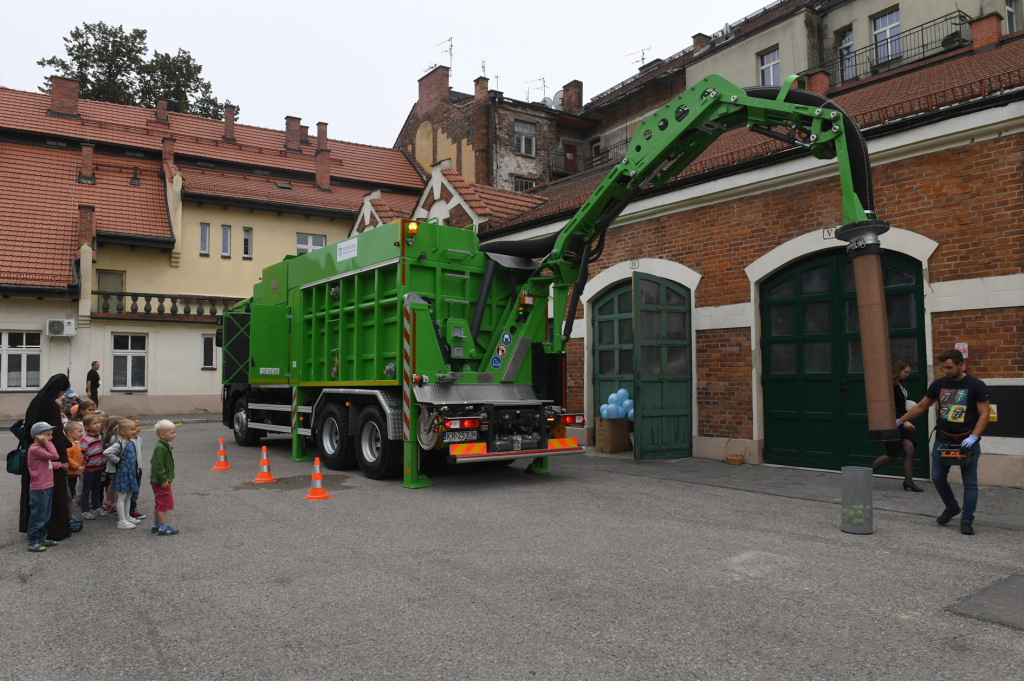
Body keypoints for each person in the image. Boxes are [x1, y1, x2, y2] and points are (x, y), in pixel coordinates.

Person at [897, 349, 990, 535]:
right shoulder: (938, 384)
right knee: (938, 477)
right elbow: (922, 406)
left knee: (970, 482)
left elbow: (984, 414)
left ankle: (967, 521)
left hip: (967, 442)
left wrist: (973, 437)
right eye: (943, 367)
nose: (946, 371)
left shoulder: (976, 385)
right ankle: (952, 507)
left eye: (949, 367)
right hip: (944, 439)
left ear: (960, 365)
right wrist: (900, 421)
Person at [19, 374, 73, 541]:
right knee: (53, 495)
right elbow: (55, 435)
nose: (62, 395)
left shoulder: (36, 401)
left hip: (34, 453)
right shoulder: (52, 406)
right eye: (63, 391)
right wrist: (63, 459)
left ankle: (34, 528)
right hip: (49, 455)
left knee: (35, 495)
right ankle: (54, 529)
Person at [871, 361, 924, 492]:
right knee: (892, 454)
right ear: (898, 370)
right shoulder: (890, 386)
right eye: (905, 372)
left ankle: (908, 481)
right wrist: (904, 421)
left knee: (909, 448)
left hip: (900, 421)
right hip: (891, 422)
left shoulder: (900, 385)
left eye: (908, 372)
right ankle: (863, 475)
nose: (907, 374)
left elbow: (901, 404)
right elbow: (890, 407)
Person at [26, 422, 66, 552]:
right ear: (38, 436)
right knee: (38, 516)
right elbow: (54, 456)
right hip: (39, 489)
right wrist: (48, 444)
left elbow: (46, 463)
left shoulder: (41, 449)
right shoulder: (35, 449)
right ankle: (33, 540)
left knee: (45, 515)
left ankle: (42, 538)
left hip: (47, 486)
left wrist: (58, 465)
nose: (51, 438)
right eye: (48, 435)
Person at [104, 419, 140, 530]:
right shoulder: (120, 444)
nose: (134, 431)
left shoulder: (132, 442)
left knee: (129, 495)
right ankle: (121, 521)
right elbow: (107, 452)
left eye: (134, 429)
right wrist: (117, 460)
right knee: (122, 496)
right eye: (132, 429)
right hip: (123, 473)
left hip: (131, 472)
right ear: (123, 431)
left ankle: (127, 516)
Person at [150, 420, 179, 535]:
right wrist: (162, 478)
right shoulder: (160, 447)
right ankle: (163, 528)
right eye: (172, 433)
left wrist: (154, 472)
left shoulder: (163, 446)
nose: (174, 435)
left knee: (159, 503)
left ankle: (156, 525)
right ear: (162, 434)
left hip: (159, 479)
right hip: (161, 481)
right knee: (163, 504)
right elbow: (158, 464)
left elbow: (153, 461)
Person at [79, 414, 107, 520]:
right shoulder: (85, 440)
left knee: (96, 489)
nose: (97, 425)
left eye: (98, 423)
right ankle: (85, 510)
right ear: (86, 427)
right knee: (86, 490)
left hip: (99, 467)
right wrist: (83, 465)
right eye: (94, 423)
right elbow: (82, 454)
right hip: (89, 469)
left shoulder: (99, 436)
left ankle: (96, 507)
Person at [125, 415, 146, 522]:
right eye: (135, 426)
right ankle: (126, 512)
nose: (138, 428)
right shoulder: (125, 441)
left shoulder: (139, 440)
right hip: (129, 470)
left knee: (136, 491)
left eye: (139, 426)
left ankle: (132, 510)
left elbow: (139, 453)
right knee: (129, 492)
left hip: (138, 469)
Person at [64, 421, 85, 508]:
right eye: (79, 431)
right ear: (70, 433)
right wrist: (77, 466)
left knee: (71, 493)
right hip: (70, 473)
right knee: (69, 493)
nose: (82, 433)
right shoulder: (70, 444)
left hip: (74, 473)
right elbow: (68, 458)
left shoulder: (75, 443)